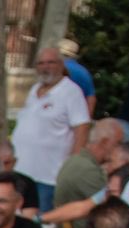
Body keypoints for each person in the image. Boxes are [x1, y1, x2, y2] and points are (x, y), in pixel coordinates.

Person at [9, 47, 88, 211]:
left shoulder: (71, 92)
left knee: (41, 226)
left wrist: (71, 167)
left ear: (61, 65)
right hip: (21, 170)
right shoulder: (34, 89)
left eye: (50, 62)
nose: (45, 67)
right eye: (41, 63)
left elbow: (82, 129)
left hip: (48, 176)